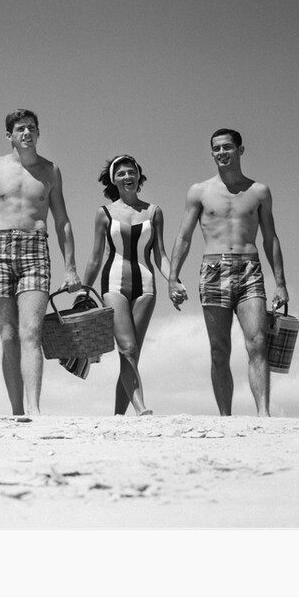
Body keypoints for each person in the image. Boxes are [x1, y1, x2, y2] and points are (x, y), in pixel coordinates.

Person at [0, 109, 81, 417]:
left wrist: (70, 267)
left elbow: (62, 220)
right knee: (8, 334)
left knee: (30, 331)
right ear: (10, 135)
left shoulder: (51, 170)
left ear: (38, 133)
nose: (27, 133)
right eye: (20, 128)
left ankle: (33, 408)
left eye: (32, 128)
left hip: (35, 249)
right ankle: (16, 412)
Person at [168, 128, 289, 417]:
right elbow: (184, 236)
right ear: (212, 153)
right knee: (219, 350)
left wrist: (281, 283)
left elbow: (270, 237)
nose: (221, 153)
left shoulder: (259, 191)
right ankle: (226, 418)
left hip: (250, 269)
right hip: (213, 269)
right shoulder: (199, 191)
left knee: (258, 342)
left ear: (240, 150)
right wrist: (173, 276)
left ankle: (263, 413)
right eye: (216, 149)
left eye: (227, 147)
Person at [81, 154, 179, 416]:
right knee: (127, 347)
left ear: (139, 175)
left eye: (131, 172)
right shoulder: (104, 213)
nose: (127, 177)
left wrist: (173, 281)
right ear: (113, 179)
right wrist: (83, 289)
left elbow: (161, 255)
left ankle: (118, 418)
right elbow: (94, 257)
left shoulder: (154, 211)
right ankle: (141, 408)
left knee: (132, 354)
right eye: (121, 173)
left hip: (146, 286)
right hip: (113, 284)